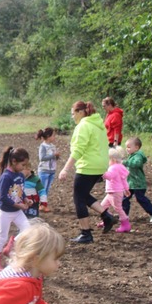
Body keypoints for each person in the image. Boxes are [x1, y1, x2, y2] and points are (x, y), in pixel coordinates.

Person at [59, 101, 115, 244]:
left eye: (73, 114)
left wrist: (66, 168)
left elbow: (78, 150)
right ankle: (106, 216)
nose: (72, 117)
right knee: (83, 195)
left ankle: (86, 234)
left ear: (80, 112)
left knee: (78, 198)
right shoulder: (98, 124)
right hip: (100, 165)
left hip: (88, 166)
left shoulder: (83, 126)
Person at [0, 147, 31, 271]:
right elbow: (2, 197)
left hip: (17, 211)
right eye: (22, 164)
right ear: (14, 161)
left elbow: (20, 191)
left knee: (27, 230)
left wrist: (25, 199)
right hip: (6, 212)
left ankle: (10, 247)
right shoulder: (6, 177)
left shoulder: (20, 175)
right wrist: (19, 205)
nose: (24, 168)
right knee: (2, 236)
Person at [122, 137, 152, 223]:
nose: (127, 149)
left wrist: (125, 162)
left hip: (138, 184)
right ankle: (124, 215)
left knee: (140, 198)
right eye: (126, 147)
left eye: (128, 147)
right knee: (124, 198)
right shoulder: (132, 156)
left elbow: (137, 164)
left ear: (136, 147)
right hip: (131, 183)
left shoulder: (138, 156)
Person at [97, 147, 131, 233]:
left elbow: (109, 176)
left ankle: (125, 225)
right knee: (102, 206)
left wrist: (101, 171)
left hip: (115, 192)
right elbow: (123, 179)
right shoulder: (120, 167)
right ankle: (108, 220)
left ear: (112, 159)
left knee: (118, 208)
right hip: (112, 192)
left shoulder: (113, 168)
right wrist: (126, 189)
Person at [36, 127, 59, 212]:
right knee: (43, 189)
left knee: (46, 189)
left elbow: (54, 158)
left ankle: (42, 205)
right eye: (53, 135)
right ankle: (42, 205)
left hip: (51, 170)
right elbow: (42, 158)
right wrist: (53, 155)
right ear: (48, 136)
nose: (54, 137)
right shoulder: (43, 146)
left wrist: (57, 156)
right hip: (44, 170)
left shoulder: (53, 146)